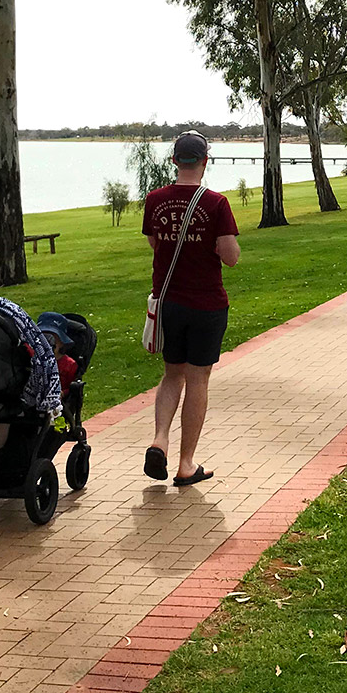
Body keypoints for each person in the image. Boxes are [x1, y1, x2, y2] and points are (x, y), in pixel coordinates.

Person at [142, 130, 240, 488]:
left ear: (173, 160)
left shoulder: (155, 199)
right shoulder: (216, 203)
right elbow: (230, 257)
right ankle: (185, 463)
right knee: (198, 379)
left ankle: (159, 440)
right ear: (204, 161)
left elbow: (155, 242)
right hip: (206, 304)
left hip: (169, 302)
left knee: (172, 374)